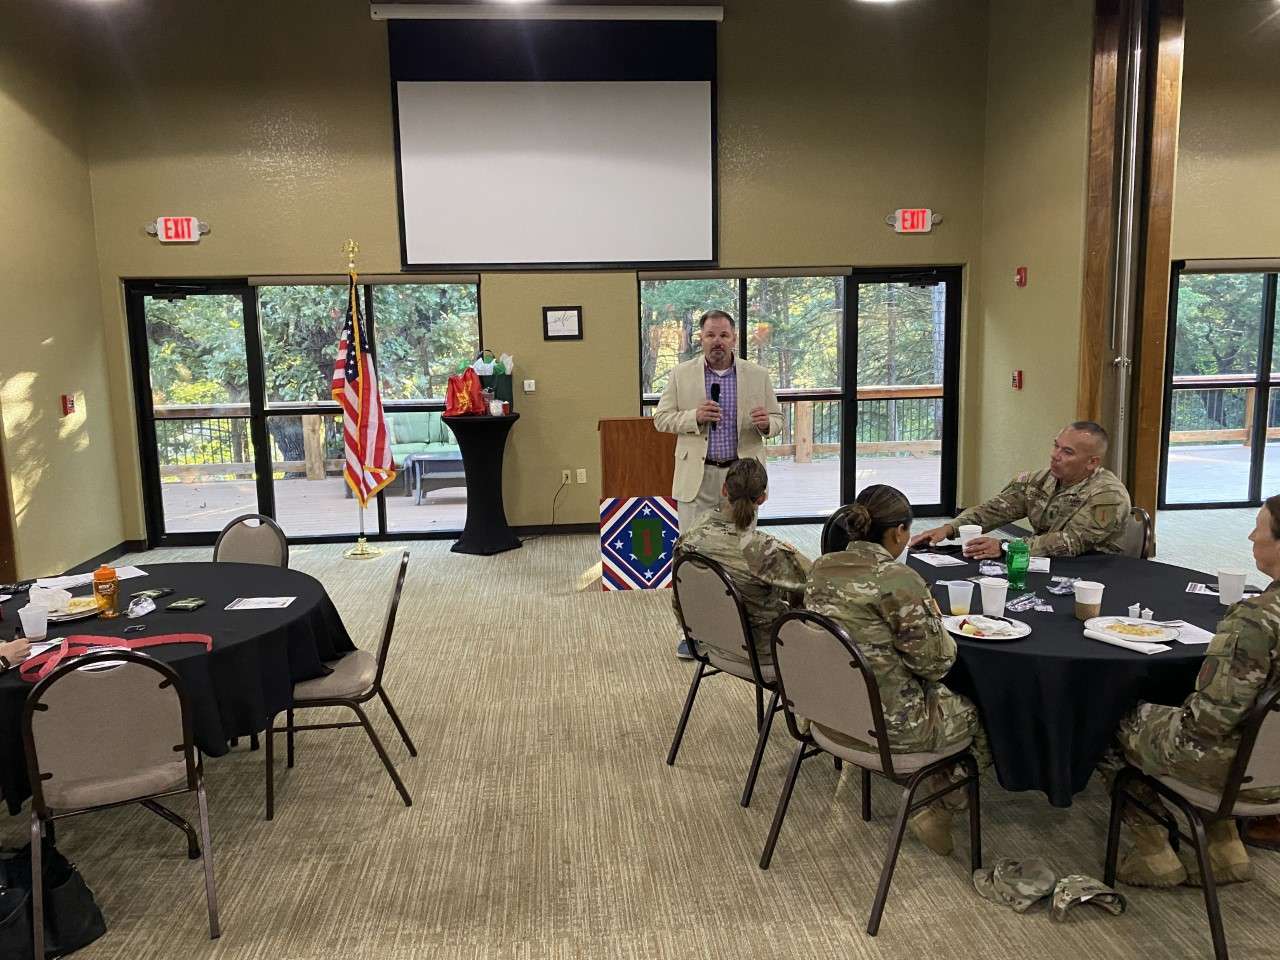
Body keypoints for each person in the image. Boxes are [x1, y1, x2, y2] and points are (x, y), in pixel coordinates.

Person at [1100, 496, 1280, 888]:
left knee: (1103, 718)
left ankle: (1154, 853)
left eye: (1260, 528)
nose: (1251, 536)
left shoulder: (1257, 618)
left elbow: (1208, 723)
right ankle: (1224, 846)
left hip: (1237, 771)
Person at [806, 484, 989, 856]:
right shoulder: (899, 581)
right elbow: (936, 664)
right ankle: (939, 808)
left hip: (827, 714)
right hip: (891, 729)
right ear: (898, 532)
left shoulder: (821, 567)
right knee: (988, 710)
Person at [654, 309, 783, 658]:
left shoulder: (757, 375)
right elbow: (660, 419)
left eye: (724, 335)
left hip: (741, 480)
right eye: (710, 335)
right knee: (694, 557)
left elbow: (778, 419)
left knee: (744, 556)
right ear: (701, 338)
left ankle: (745, 629)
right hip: (698, 477)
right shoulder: (682, 375)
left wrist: (767, 424)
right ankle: (693, 633)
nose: (717, 342)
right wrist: (693, 417)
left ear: (734, 338)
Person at [911, 421, 1131, 560]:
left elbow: (1071, 542)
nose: (1055, 455)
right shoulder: (1039, 480)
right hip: (1041, 561)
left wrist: (1006, 546)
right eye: (1056, 446)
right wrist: (949, 529)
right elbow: (994, 510)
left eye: (1067, 452)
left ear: (1092, 462)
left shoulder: (1108, 496)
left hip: (1095, 569)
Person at [672, 458, 811, 671]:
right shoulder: (766, 550)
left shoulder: (690, 539)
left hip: (710, 643)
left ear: (724, 490)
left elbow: (678, 599)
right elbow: (819, 583)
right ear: (762, 498)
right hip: (765, 652)